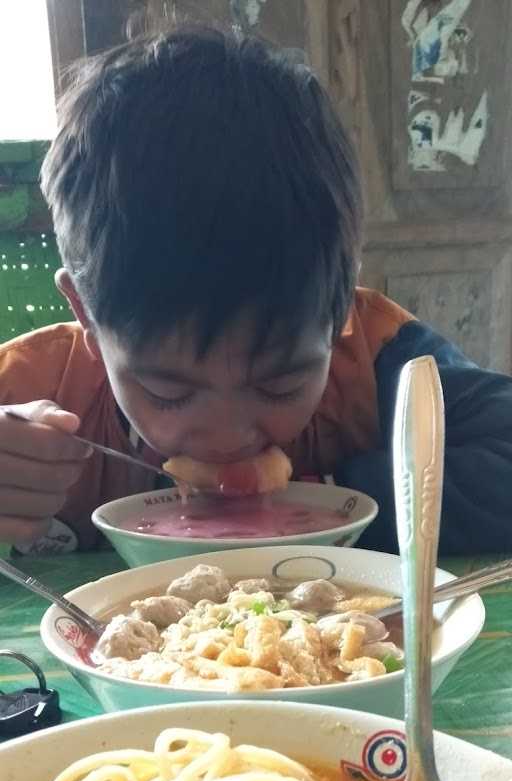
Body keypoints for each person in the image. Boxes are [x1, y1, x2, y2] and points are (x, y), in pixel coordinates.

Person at [1, 26, 511, 556]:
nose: (225, 439)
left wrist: (328, 497)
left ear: (339, 315)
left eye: (279, 385)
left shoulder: (379, 359)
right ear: (86, 314)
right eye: (168, 393)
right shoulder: (32, 388)